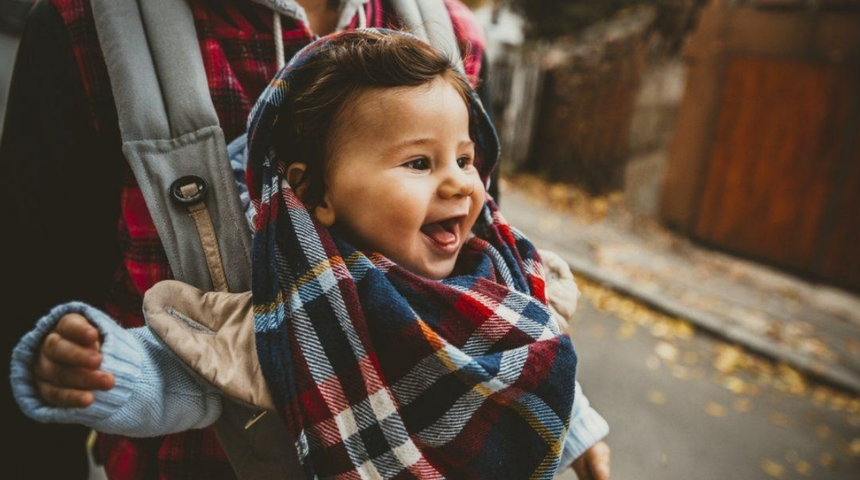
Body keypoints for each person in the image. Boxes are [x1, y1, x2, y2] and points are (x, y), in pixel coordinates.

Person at [10, 29, 610, 480]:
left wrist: (579, 432)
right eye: (418, 163)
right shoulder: (300, 315)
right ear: (315, 192)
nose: (458, 184)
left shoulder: (496, 277)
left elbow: (536, 357)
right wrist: (103, 368)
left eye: (464, 158)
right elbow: (184, 377)